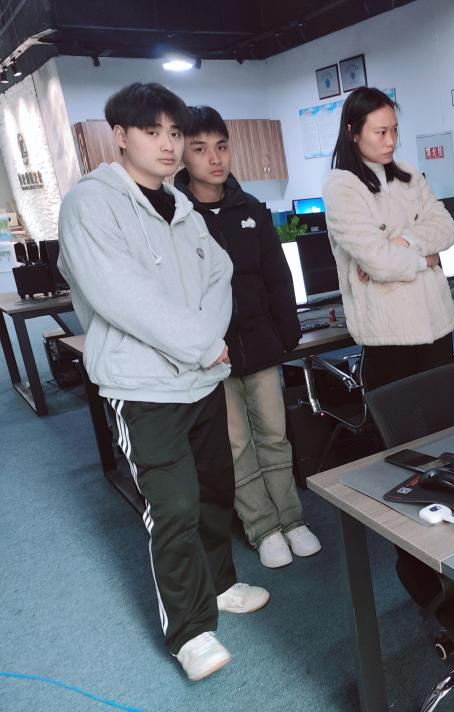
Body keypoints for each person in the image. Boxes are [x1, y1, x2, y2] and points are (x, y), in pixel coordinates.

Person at [57, 83, 269, 682]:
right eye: (153, 132)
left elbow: (219, 273)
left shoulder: (180, 206)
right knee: (172, 506)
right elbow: (123, 297)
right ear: (120, 136)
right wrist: (202, 343)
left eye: (175, 133)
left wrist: (204, 342)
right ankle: (190, 631)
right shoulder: (91, 204)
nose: (169, 144)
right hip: (143, 387)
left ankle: (220, 583)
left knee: (214, 490)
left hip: (200, 380)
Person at [176, 106, 322, 569]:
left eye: (221, 147)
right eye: (200, 149)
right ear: (183, 155)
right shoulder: (177, 216)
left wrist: (287, 331)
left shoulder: (251, 210)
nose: (214, 158)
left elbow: (277, 276)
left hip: (260, 346)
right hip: (212, 355)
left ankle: (292, 519)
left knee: (275, 436)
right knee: (237, 445)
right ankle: (263, 528)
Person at [322, 87, 454, 390]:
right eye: (380, 132)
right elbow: (378, 262)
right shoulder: (342, 186)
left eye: (394, 130)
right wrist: (426, 261)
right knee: (402, 416)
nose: (391, 140)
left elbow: (445, 227)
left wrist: (404, 241)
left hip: (436, 320)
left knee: (447, 412)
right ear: (353, 133)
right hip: (389, 332)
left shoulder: (408, 174)